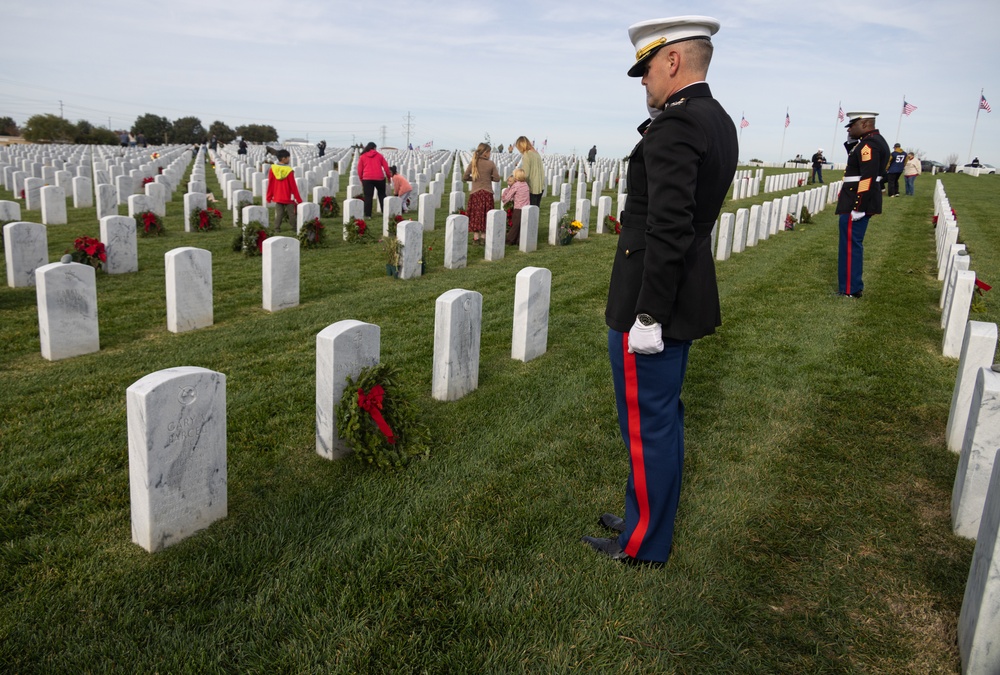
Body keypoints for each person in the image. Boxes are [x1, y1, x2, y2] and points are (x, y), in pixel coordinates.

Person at [582, 16, 738, 566]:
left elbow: (668, 226)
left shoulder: (676, 125)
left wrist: (647, 315)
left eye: (646, 69)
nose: (643, 82)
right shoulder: (715, 119)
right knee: (660, 417)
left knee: (648, 425)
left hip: (654, 300)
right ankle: (644, 515)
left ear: (672, 61)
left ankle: (644, 543)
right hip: (684, 290)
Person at [835, 111, 890, 298]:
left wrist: (858, 206)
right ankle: (850, 286)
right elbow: (857, 165)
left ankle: (850, 289)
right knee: (850, 244)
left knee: (850, 246)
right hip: (854, 199)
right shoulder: (869, 142)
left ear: (865, 124)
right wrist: (851, 142)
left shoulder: (869, 145)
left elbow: (867, 177)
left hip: (855, 202)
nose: (849, 129)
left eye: (852, 125)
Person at [462, 143, 500, 244]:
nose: (490, 154)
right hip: (487, 193)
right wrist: (487, 178)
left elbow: (465, 177)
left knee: (475, 215)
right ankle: (484, 237)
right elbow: (497, 178)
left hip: (475, 193)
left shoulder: (473, 162)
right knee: (485, 215)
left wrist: (474, 178)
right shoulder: (490, 164)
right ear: (486, 153)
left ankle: (476, 238)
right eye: (489, 152)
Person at [265, 149, 302, 232]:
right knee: (291, 214)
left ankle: (276, 228)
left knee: (279, 214)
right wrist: (298, 199)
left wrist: (269, 196)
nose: (289, 159)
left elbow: (270, 184)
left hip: (278, 196)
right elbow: (293, 186)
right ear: (284, 158)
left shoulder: (272, 169)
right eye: (288, 157)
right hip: (287, 196)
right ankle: (294, 228)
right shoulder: (289, 170)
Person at [357, 142, 391, 218]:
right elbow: (386, 168)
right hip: (379, 178)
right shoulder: (379, 156)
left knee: (368, 196)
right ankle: (384, 212)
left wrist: (361, 179)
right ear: (374, 148)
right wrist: (389, 177)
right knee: (382, 195)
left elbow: (360, 170)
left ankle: (368, 215)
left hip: (367, 178)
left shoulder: (362, 156)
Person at [501, 168, 530, 246]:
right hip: (526, 208)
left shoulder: (516, 185)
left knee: (515, 225)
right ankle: (519, 240)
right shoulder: (525, 184)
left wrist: (504, 199)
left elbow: (508, 196)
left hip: (518, 208)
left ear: (516, 177)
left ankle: (510, 240)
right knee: (521, 225)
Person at [514, 136, 544, 207]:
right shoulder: (536, 153)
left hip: (532, 186)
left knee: (529, 212)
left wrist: (517, 180)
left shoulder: (527, 154)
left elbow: (525, 173)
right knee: (535, 210)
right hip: (540, 186)